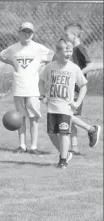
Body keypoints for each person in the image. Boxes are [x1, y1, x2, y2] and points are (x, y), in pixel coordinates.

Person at [0, 22, 54, 155]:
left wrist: (42, 63)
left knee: (33, 117)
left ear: (33, 34)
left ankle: (33, 146)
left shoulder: (38, 48)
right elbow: (1, 55)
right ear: (19, 33)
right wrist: (12, 63)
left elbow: (52, 55)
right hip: (18, 86)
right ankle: (22, 145)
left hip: (33, 88)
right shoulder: (13, 48)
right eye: (24, 31)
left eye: (30, 32)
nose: (27, 34)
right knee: (20, 117)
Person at [39, 39, 88, 168]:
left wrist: (77, 103)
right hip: (52, 107)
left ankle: (63, 160)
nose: (68, 53)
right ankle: (65, 152)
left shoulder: (74, 68)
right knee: (51, 134)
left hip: (66, 108)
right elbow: (41, 81)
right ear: (58, 52)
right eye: (65, 50)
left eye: (70, 51)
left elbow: (83, 86)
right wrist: (42, 96)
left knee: (64, 133)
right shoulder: (50, 67)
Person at [63, 23, 101, 154]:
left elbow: (90, 66)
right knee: (69, 117)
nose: (65, 36)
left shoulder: (79, 48)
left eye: (67, 34)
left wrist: (75, 76)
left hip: (76, 88)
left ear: (74, 35)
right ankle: (74, 148)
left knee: (65, 115)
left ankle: (91, 129)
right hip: (70, 87)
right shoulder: (71, 49)